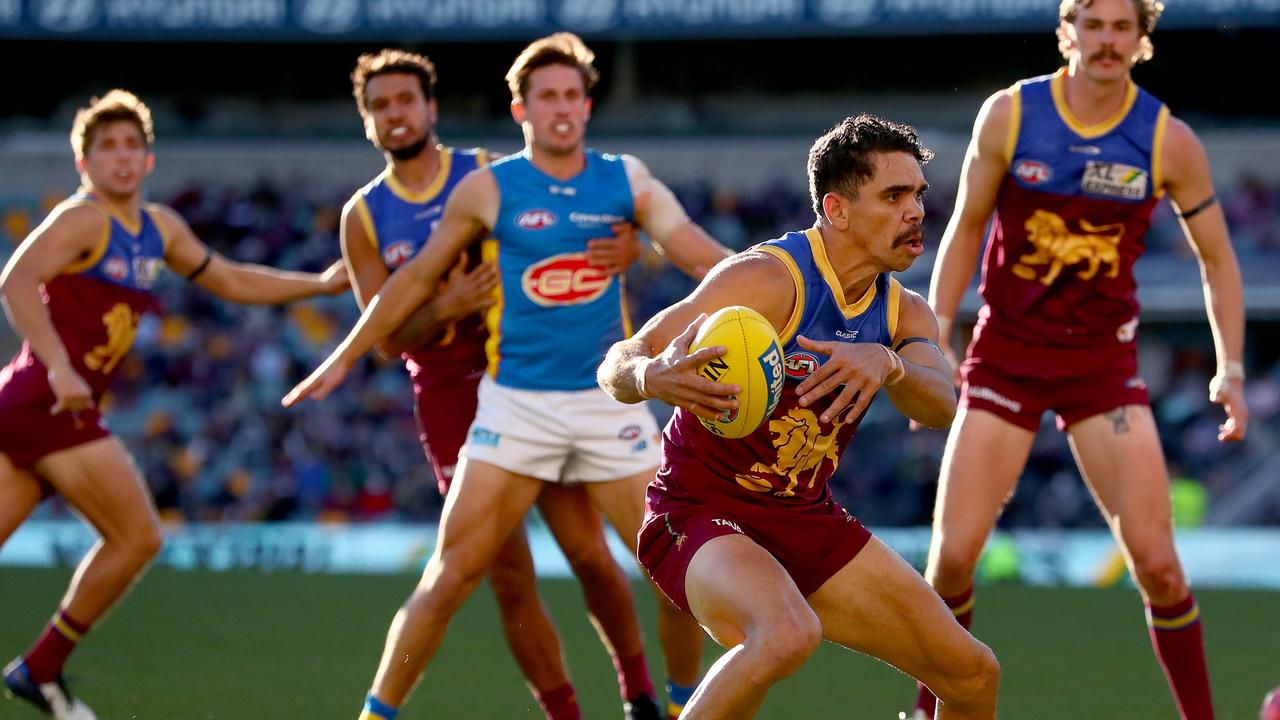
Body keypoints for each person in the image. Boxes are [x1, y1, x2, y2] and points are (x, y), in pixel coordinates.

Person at [284, 33, 732, 720]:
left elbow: (700, 252)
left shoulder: (623, 179)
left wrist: (780, 284)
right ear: (520, 109)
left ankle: (665, 705)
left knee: (670, 567)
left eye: (570, 95)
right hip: (508, 404)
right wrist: (343, 354)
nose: (559, 108)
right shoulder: (480, 190)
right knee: (460, 574)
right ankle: (376, 715)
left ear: (587, 104)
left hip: (604, 396)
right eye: (544, 96)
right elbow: (411, 282)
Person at [596, 114, 1000, 720]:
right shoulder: (765, 279)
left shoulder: (904, 313)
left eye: (917, 193)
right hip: (700, 512)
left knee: (972, 673)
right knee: (786, 633)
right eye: (894, 196)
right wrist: (649, 376)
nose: (916, 210)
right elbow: (621, 361)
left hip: (803, 517)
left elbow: (942, 404)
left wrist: (888, 365)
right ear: (836, 210)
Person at [905, 1, 1245, 718]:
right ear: (1069, 32)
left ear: (1142, 40)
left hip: (1102, 369)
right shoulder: (1010, 116)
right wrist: (933, 337)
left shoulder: (1166, 140)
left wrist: (1231, 369)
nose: (1107, 40)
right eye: (1094, 24)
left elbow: (1218, 260)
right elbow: (965, 230)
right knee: (953, 560)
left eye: (1123, 27)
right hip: (1005, 359)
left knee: (1157, 564)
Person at [0, 90, 348, 720]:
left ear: (150, 159)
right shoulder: (82, 220)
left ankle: (39, 671)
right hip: (52, 404)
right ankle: (39, 668)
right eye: (107, 148)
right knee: (136, 537)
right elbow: (15, 281)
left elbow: (231, 279)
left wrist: (319, 283)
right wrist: (56, 364)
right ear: (84, 165)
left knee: (132, 539)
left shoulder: (158, 227)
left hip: (36, 405)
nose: (122, 158)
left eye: (132, 146)